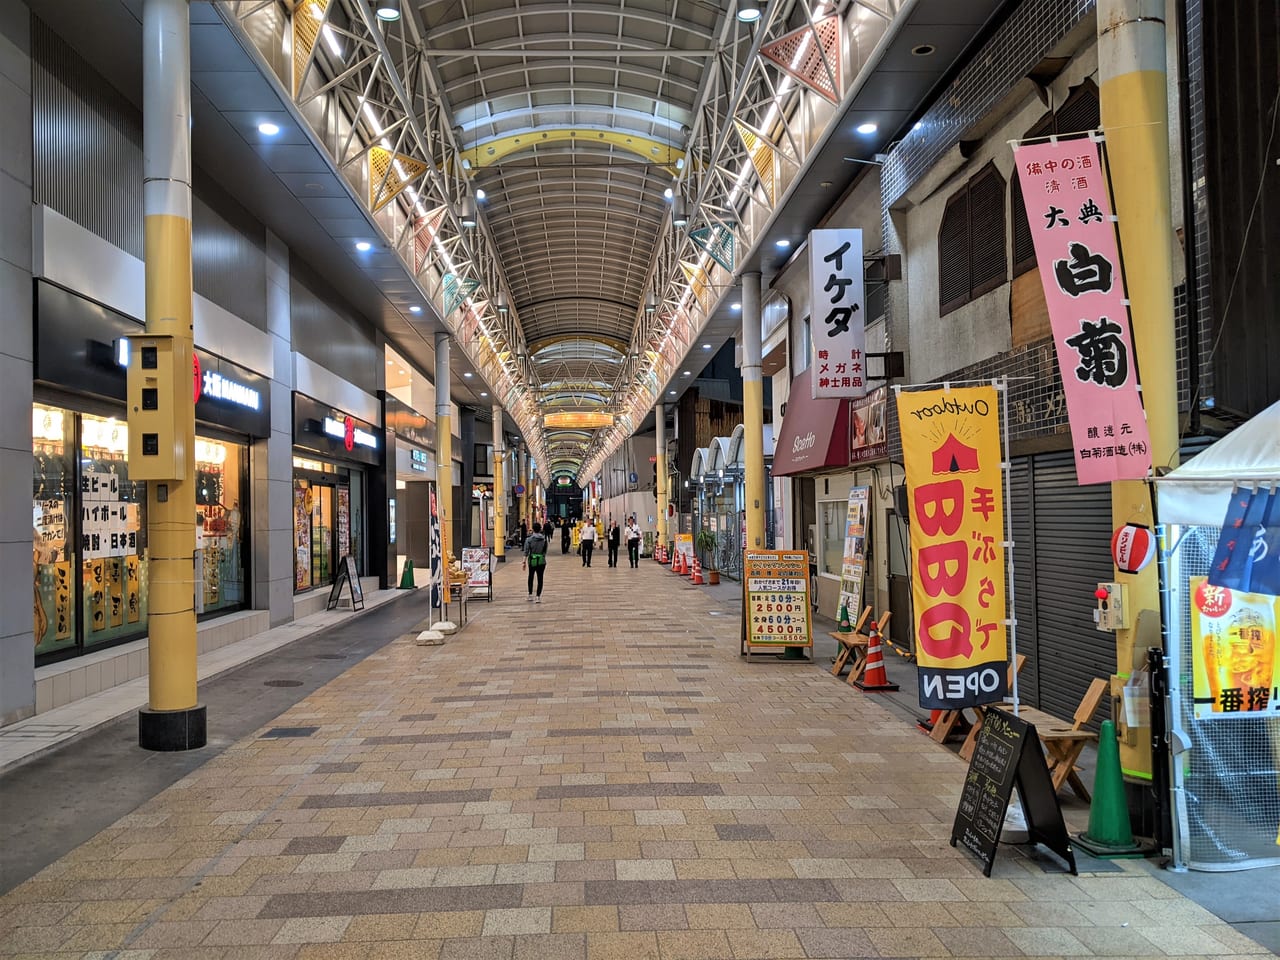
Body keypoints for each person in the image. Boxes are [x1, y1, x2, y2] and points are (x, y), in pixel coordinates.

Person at [523, 521, 548, 602]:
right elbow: (545, 551)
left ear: (533, 529)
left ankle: (530, 595)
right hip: (541, 560)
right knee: (540, 578)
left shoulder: (529, 540)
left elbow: (526, 551)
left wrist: (524, 562)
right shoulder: (544, 540)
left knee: (531, 577)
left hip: (532, 560)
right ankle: (538, 596)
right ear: (540, 529)